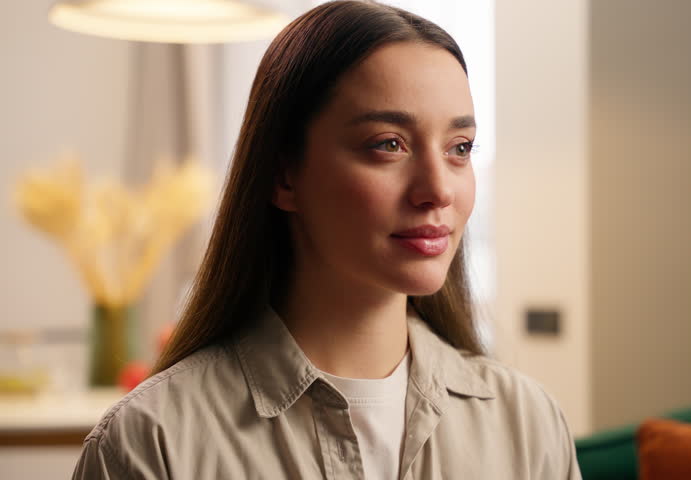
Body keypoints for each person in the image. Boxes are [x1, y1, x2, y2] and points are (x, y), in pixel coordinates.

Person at [72, 1, 581, 478]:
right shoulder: (152, 441)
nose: (438, 190)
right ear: (283, 175)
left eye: (459, 148)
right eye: (388, 144)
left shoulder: (526, 422)